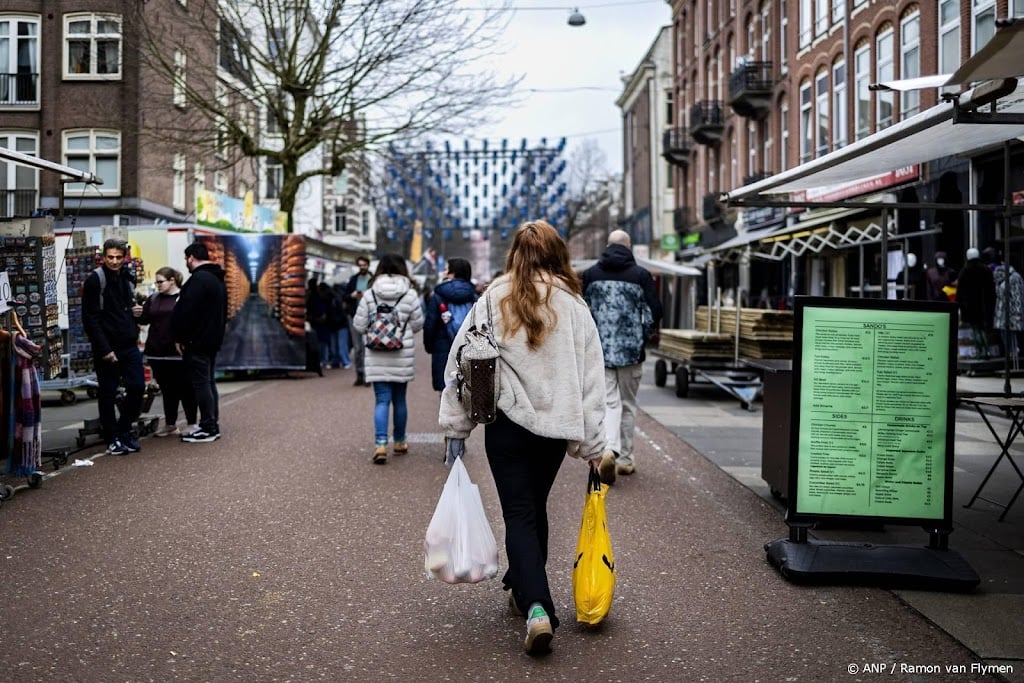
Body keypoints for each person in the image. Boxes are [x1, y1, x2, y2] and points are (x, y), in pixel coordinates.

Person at [438, 220, 606, 656]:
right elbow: (592, 380)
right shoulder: (575, 306)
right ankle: (521, 588)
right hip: (554, 430)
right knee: (534, 508)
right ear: (558, 255)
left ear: (514, 254)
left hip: (508, 426)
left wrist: (457, 429)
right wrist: (593, 446)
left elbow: (462, 361)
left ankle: (536, 607)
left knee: (519, 513)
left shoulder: (494, 298)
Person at [582, 229, 662, 485]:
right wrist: (643, 335)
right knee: (628, 404)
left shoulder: (591, 274)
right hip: (631, 351)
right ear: (629, 246)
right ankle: (625, 459)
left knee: (608, 403)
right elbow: (654, 311)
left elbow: (584, 310)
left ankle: (608, 448)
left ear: (607, 245)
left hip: (601, 351)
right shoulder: (641, 275)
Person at [352, 253, 424, 463]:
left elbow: (358, 325)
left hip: (376, 354)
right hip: (401, 353)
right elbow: (418, 324)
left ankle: (381, 445)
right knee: (400, 399)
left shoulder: (369, 294)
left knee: (381, 400)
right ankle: (400, 441)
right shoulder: (409, 295)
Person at [82, 238, 146, 455]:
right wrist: (105, 349)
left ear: (124, 257)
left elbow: (128, 309)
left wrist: (137, 312)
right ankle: (112, 438)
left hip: (128, 343)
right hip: (107, 346)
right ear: (103, 257)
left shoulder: (128, 278)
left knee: (138, 387)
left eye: (119, 257)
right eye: (110, 257)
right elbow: (90, 318)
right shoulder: (94, 281)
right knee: (107, 393)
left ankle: (124, 430)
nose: (115, 261)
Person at [171, 241, 227, 443]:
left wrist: (180, 337)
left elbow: (187, 312)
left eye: (186, 259)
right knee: (209, 382)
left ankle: (208, 427)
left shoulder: (198, 280)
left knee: (201, 383)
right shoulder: (217, 279)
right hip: (212, 339)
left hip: (196, 341)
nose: (186, 263)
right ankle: (212, 423)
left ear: (191, 258)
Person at [137, 267, 198, 436]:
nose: (158, 285)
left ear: (172, 280)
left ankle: (192, 422)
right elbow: (145, 319)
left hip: (178, 351)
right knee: (167, 389)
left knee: (186, 388)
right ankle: (170, 424)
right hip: (157, 350)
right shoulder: (154, 299)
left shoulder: (183, 298)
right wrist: (138, 314)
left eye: (160, 281)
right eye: (156, 282)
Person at [423, 257, 478, 392]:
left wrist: (430, 346)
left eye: (447, 269)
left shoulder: (438, 295)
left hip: (443, 346)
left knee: (446, 389)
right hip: (469, 347)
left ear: (452, 273)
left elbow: (430, 324)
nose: (444, 272)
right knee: (468, 389)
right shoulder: (474, 295)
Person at [955, 248, 996, 360]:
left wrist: (959, 305)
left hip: (971, 307)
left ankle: (981, 351)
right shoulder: (986, 270)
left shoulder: (965, 271)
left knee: (976, 329)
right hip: (984, 305)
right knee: (983, 328)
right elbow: (992, 290)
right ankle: (986, 351)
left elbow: (960, 291)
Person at [344, 256, 373, 386]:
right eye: (360, 265)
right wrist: (352, 295)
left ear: (368, 265)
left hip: (370, 316)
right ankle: (359, 374)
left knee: (367, 347)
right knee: (357, 348)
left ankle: (368, 375)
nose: (362, 267)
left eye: (364, 265)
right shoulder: (353, 279)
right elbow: (344, 296)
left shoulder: (373, 279)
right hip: (354, 315)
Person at [992, 256, 1024, 359]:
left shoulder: (1015, 277)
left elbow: (1017, 297)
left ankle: (1014, 355)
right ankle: (1010, 355)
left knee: (1012, 337)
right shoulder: (999, 277)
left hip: (1011, 313)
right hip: (1001, 313)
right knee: (1004, 335)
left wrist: (1017, 313)